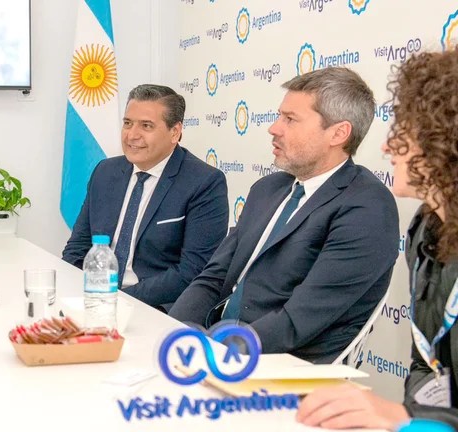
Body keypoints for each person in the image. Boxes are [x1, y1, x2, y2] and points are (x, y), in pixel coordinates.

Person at [170, 67, 400, 363]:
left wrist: (218, 353)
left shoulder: (367, 207)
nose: (274, 128)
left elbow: (299, 320)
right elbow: (213, 278)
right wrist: (173, 332)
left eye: (290, 119)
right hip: (221, 344)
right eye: (279, 116)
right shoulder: (267, 189)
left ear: (338, 133)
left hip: (283, 363)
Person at [297, 49, 458, 430]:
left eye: (403, 131)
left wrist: (407, 417)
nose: (386, 147)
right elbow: (427, 364)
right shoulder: (427, 228)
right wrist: (413, 422)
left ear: (444, 138)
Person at [62, 84, 229, 311]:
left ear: (175, 132)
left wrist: (118, 299)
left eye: (146, 126)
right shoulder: (105, 171)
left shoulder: (204, 182)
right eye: (127, 123)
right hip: (96, 299)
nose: (132, 135)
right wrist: (80, 293)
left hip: (156, 307)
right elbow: (77, 248)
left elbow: (193, 271)